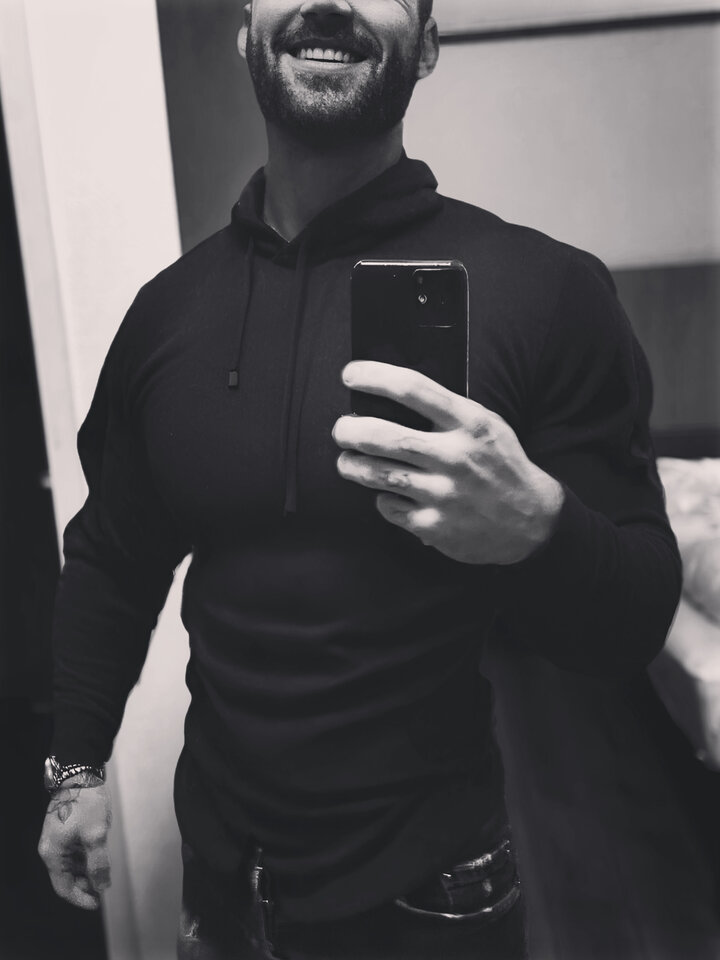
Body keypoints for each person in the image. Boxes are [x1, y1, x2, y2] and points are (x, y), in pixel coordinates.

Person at [37, 1, 682, 957]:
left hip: (434, 901)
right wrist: (76, 765)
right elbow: (112, 560)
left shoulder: (547, 292)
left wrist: (539, 530)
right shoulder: (169, 314)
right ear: (246, 32)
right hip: (218, 894)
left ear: (428, 43)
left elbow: (637, 618)